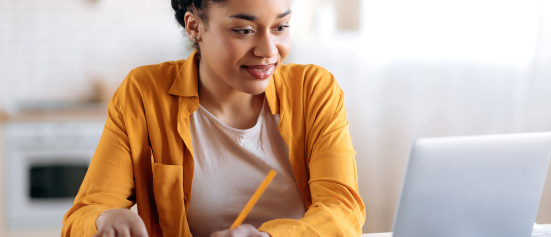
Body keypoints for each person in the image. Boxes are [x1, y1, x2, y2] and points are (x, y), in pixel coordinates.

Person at [61, 0, 365, 236]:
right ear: (194, 26)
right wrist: (107, 219)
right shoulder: (144, 93)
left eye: (280, 27)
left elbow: (343, 209)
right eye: (245, 30)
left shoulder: (313, 89)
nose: (268, 50)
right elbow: (82, 216)